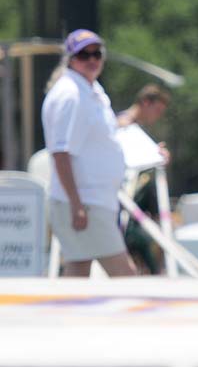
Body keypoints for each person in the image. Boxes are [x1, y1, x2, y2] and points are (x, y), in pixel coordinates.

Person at [41, 29, 136, 277]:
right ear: (71, 59)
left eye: (97, 53)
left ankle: (59, 317)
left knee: (78, 272)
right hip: (85, 203)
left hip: (95, 201)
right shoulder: (70, 94)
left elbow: (104, 137)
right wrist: (77, 205)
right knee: (126, 278)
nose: (92, 59)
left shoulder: (91, 90)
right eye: (84, 55)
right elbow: (60, 154)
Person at [117, 84, 172, 275]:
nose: (157, 116)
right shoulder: (120, 124)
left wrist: (155, 153)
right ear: (146, 103)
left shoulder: (137, 131)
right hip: (120, 208)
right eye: (156, 110)